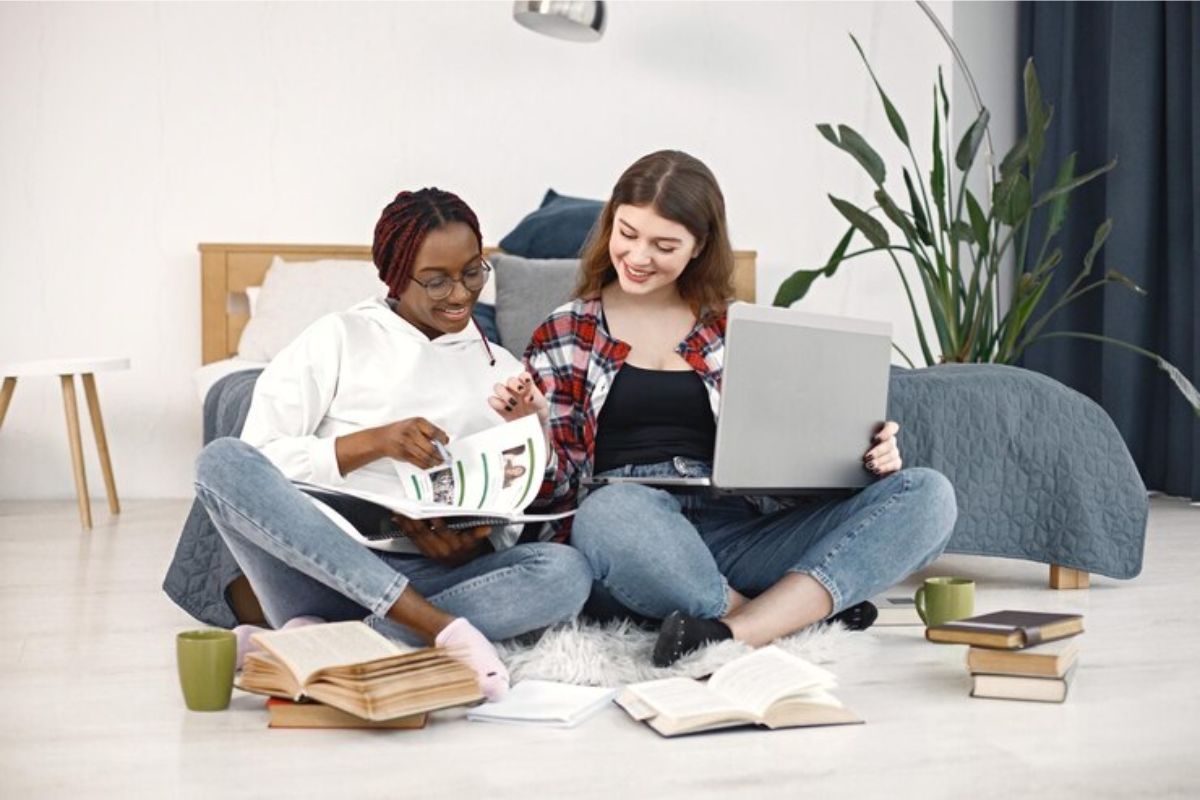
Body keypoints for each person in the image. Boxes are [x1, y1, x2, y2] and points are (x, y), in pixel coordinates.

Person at [499, 150, 958, 667]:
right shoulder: (565, 331)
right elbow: (547, 499)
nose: (638, 255)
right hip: (635, 543)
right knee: (611, 511)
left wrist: (866, 457)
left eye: (664, 244)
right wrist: (532, 428)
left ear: (699, 248)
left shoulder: (737, 330)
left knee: (929, 494)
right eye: (627, 233)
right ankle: (783, 616)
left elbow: (798, 470)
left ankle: (729, 630)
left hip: (738, 530)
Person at [193, 188, 593, 699]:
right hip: (323, 566)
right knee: (221, 461)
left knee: (566, 573)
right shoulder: (338, 337)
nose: (459, 295)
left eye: (473, 272)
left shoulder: (503, 371)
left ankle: (325, 646)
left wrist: (476, 540)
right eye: (436, 280)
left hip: (435, 574)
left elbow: (510, 495)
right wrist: (373, 443)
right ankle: (438, 631)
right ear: (394, 274)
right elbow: (259, 460)